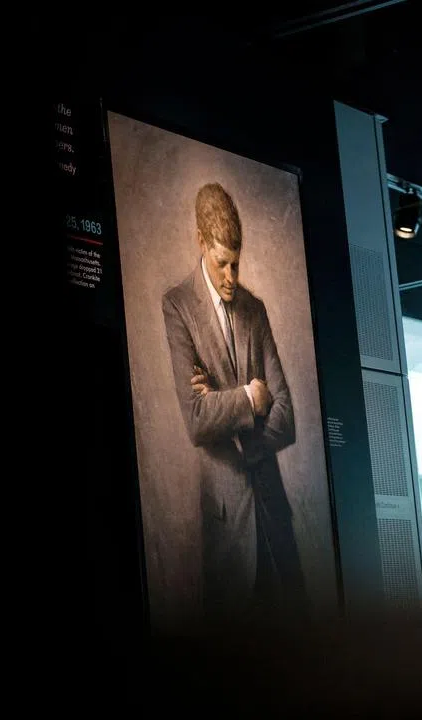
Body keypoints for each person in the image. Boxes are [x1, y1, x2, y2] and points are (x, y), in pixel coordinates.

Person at [162, 182, 306, 619]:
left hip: (274, 519)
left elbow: (287, 416)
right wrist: (248, 397)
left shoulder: (255, 310)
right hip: (228, 530)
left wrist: (235, 429)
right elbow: (197, 420)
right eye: (222, 263)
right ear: (201, 243)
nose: (231, 277)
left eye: (237, 264)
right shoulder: (177, 306)